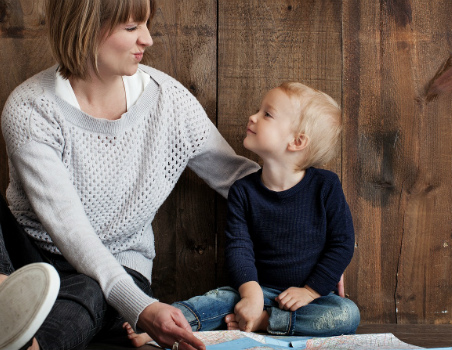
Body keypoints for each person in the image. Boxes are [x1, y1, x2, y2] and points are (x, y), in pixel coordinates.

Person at [0, 0, 260, 349]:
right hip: (28, 261)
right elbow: (67, 226)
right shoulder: (30, 108)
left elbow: (238, 179)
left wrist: (317, 194)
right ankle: (5, 301)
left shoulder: (170, 102)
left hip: (119, 271)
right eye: (132, 28)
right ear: (85, 29)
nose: (148, 39)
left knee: (91, 287)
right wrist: (143, 311)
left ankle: (20, 341)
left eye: (146, 24)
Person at [125, 82, 359, 346]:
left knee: (347, 314)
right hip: (258, 289)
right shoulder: (243, 191)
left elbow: (341, 243)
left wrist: (311, 291)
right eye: (259, 110)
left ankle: (266, 322)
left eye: (267, 114)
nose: (253, 117)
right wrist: (250, 294)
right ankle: (161, 327)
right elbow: (239, 247)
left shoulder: (325, 186)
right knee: (216, 301)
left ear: (297, 141)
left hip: (309, 299)